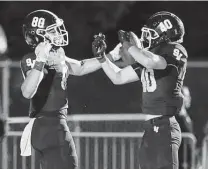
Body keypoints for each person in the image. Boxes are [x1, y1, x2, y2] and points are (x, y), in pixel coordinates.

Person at [92, 11, 188, 169]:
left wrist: (131, 48)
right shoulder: (148, 57)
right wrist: (102, 58)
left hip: (165, 127)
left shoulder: (174, 50)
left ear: (164, 34)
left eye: (150, 33)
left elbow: (152, 62)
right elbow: (118, 77)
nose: (146, 38)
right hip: (150, 128)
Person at [19, 9, 111, 169]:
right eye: (52, 30)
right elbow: (27, 91)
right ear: (40, 34)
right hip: (51, 125)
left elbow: (80, 67)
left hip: (47, 128)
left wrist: (109, 57)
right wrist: (41, 60)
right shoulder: (32, 58)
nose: (57, 33)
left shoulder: (57, 54)